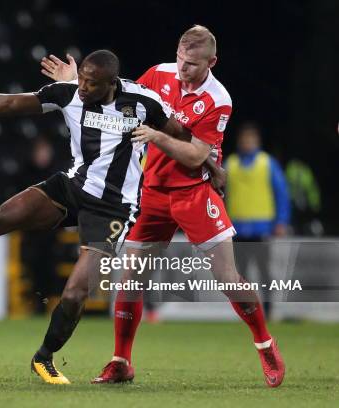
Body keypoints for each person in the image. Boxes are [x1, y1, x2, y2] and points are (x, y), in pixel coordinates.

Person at [0, 49, 225, 385]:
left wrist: (210, 168)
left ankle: (44, 357)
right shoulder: (68, 94)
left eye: (91, 83)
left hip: (114, 208)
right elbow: (6, 103)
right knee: (0, 217)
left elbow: (182, 136)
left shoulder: (144, 103)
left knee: (76, 290)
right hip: (71, 187)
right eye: (81, 78)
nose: (82, 86)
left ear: (110, 83)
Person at [41, 25, 285, 387]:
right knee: (131, 278)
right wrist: (76, 80)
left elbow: (195, 155)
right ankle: (121, 361)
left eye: (191, 64)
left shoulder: (219, 99)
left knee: (228, 278)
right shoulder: (159, 73)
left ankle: (265, 345)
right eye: (180, 59)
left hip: (193, 192)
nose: (182, 68)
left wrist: (157, 135)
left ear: (211, 62)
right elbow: (115, 97)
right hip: (151, 191)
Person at [226, 122, 291, 318]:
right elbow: (219, 194)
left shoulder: (267, 163)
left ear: (257, 141)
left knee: (264, 273)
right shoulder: (230, 164)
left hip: (262, 228)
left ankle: (269, 310)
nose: (247, 143)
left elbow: (282, 194)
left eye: (250, 139)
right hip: (237, 227)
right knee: (240, 275)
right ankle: (247, 312)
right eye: (244, 140)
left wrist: (281, 221)